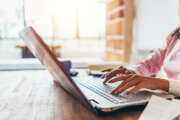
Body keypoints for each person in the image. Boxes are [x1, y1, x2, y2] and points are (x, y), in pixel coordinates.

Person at [103, 27, 180, 96]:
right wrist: (132, 72)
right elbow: (149, 64)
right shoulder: (176, 35)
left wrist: (160, 83)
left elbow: (160, 83)